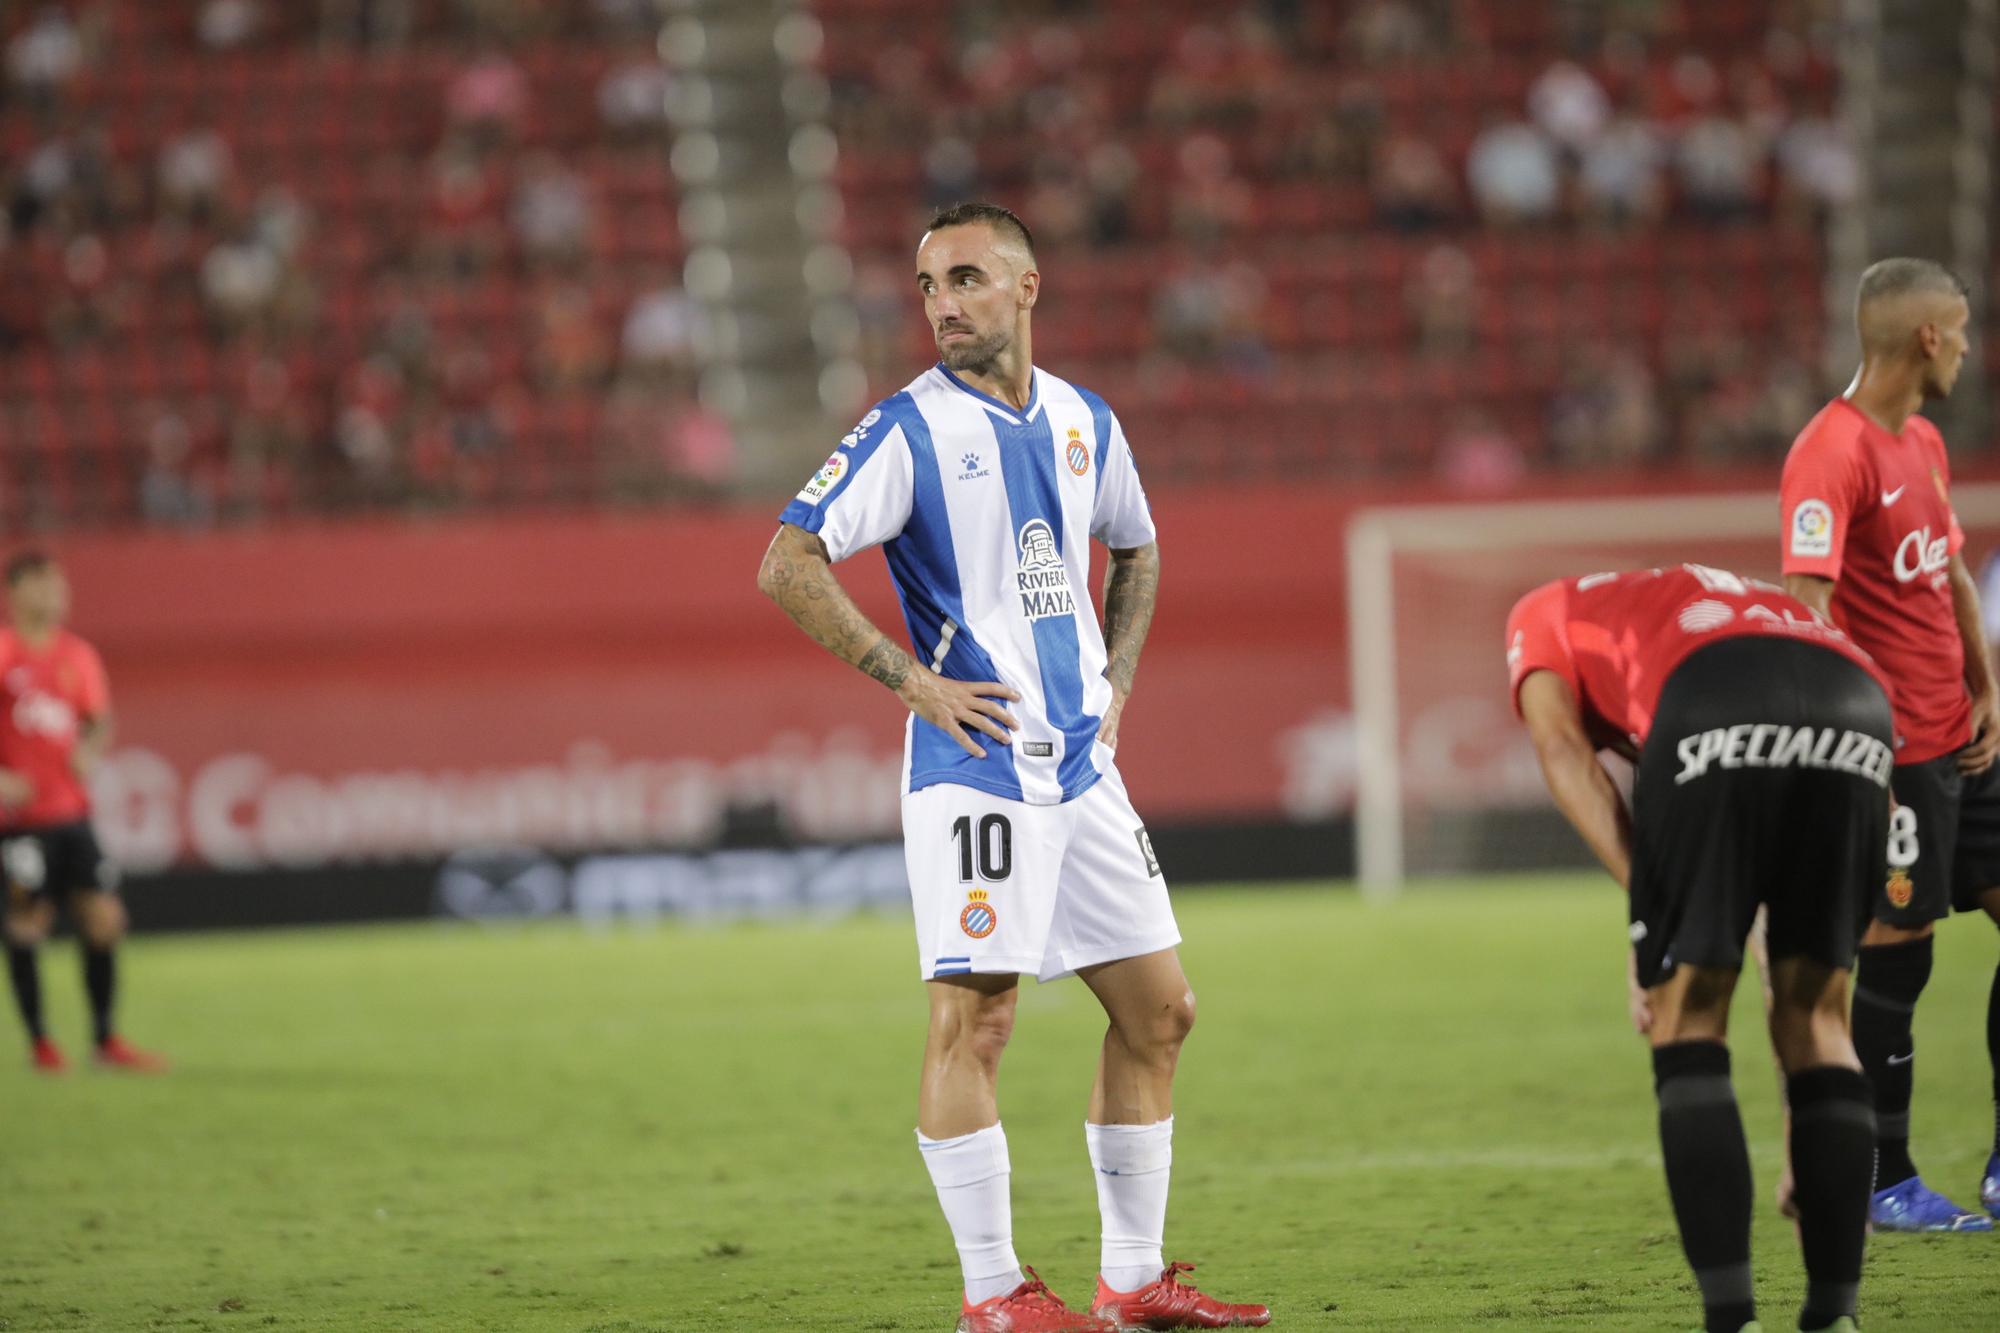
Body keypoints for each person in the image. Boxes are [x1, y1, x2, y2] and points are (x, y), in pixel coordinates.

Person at [757, 204, 1268, 1333]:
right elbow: (786, 560)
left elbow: (1133, 545)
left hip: (1083, 771)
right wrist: (910, 680)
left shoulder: (1086, 419)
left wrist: (1116, 682)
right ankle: (992, 1295)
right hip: (976, 767)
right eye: (930, 284)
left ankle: (1131, 1281)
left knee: (1161, 1010)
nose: (943, 303)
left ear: (1026, 289)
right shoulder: (905, 431)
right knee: (975, 1021)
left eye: (968, 279)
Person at [1508, 563, 1889, 1333]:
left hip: (1712, 691)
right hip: (1859, 699)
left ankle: (1732, 1321)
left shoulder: (1543, 613)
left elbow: (1562, 752)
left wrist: (1650, 905)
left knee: (1689, 1013)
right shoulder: (1715, 599)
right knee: (1819, 1018)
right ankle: (1834, 1316)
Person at [1778, 256, 1999, 1230]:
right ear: (1923, 338)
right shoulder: (1828, 453)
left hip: (1960, 734)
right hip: (1891, 752)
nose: (1965, 346)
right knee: (1896, 954)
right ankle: (1884, 1178)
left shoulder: (1919, 438)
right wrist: (1848, 753)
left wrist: (1984, 682)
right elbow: (1807, 610)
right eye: (1958, 330)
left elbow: (1946, 570)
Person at [0, 550, 165, 1073]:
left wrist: (89, 752)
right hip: (19, 825)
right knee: (28, 923)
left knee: (104, 919)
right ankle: (42, 1043)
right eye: (45, 585)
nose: (57, 595)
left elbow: (99, 721)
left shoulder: (78, 656)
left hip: (72, 815)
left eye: (60, 586)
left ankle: (104, 1038)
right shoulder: (4, 653)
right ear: (17, 591)